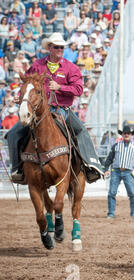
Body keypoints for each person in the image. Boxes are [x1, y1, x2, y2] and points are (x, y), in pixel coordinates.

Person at [5, 32, 103, 184]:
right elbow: (26, 84)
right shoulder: (37, 66)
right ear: (49, 48)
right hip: (38, 111)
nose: (59, 50)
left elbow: (78, 89)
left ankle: (91, 165)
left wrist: (60, 87)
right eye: (56, 47)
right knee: (13, 134)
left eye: (62, 47)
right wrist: (21, 96)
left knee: (81, 130)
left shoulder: (71, 68)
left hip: (62, 110)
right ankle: (17, 169)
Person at [103, 125, 134, 220]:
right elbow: (109, 159)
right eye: (125, 133)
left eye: (128, 133)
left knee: (133, 193)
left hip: (128, 172)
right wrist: (106, 169)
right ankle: (111, 213)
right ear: (122, 134)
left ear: (131, 135)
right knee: (112, 193)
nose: (126, 135)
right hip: (116, 171)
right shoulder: (116, 146)